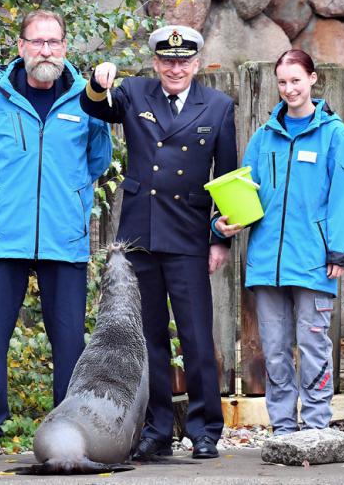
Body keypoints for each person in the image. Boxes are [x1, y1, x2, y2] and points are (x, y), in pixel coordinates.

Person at [0, 10, 112, 461]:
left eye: (54, 42)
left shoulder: (86, 98)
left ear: (65, 48)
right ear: (20, 46)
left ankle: (67, 431)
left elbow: (99, 160)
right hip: (4, 236)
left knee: (69, 343)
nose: (46, 50)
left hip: (64, 238)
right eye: (37, 42)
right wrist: (0, 193)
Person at [80, 25, 237, 459]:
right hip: (141, 235)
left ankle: (205, 430)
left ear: (197, 64)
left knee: (196, 338)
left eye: (184, 61)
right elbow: (94, 107)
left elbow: (226, 179)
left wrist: (220, 240)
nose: (175, 68)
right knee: (149, 340)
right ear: (156, 63)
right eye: (167, 61)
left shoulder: (218, 106)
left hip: (188, 236)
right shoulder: (134, 93)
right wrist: (97, 83)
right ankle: (157, 430)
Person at [214, 49, 344, 436]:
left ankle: (314, 426)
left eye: (296, 80)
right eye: (282, 82)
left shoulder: (333, 134)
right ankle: (283, 430)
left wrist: (339, 250)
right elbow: (245, 194)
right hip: (266, 264)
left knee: (313, 348)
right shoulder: (264, 138)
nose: (289, 88)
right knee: (274, 351)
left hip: (313, 262)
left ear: (312, 79)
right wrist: (223, 223)